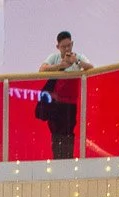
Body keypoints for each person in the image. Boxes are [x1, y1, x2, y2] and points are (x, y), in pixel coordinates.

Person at [37, 31, 91, 160]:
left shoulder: (78, 57)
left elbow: (91, 67)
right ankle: (57, 160)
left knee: (68, 132)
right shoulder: (54, 58)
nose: (67, 49)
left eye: (69, 45)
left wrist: (76, 62)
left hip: (70, 104)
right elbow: (42, 69)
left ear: (72, 44)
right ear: (58, 47)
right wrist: (61, 66)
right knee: (55, 133)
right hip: (54, 103)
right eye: (63, 46)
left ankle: (68, 159)